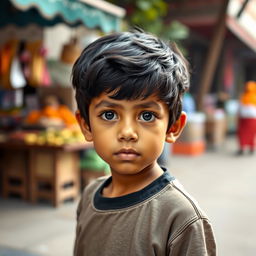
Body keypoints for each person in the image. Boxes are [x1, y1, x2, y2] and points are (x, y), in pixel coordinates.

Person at [72, 30, 216, 255]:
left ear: (173, 127)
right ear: (86, 126)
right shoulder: (90, 196)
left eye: (146, 116)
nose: (127, 133)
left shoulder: (181, 217)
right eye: (109, 115)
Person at [236, 81, 256, 155]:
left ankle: (244, 148)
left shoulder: (243, 96)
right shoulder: (245, 96)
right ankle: (248, 148)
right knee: (248, 134)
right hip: (249, 119)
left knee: (245, 134)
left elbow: (239, 108)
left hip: (246, 119)